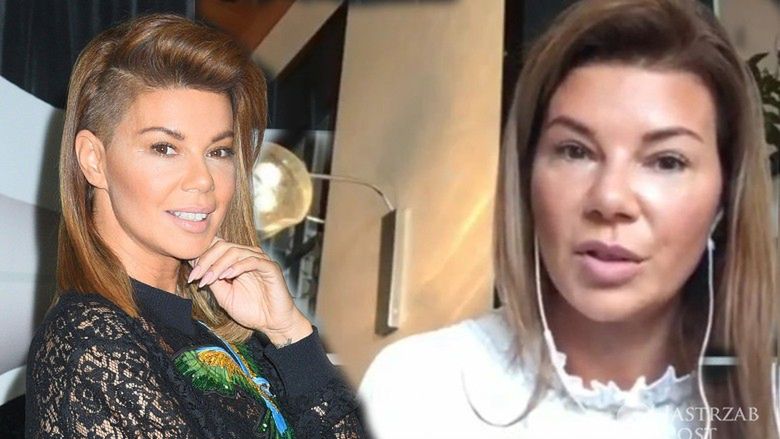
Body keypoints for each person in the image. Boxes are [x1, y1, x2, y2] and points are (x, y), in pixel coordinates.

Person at [359, 0, 778, 438]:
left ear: (725, 197)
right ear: (527, 177)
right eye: (575, 151)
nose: (610, 198)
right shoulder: (414, 389)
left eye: (666, 161)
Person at [25, 14, 366, 438]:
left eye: (219, 152)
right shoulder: (92, 343)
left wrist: (289, 332)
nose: (203, 180)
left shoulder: (227, 332)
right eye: (165, 148)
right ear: (94, 159)